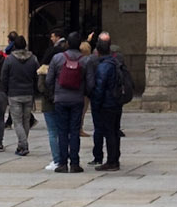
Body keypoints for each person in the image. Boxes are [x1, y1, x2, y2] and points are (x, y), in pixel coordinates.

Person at [86, 31, 130, 170]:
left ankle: (112, 161)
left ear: (98, 51)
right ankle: (115, 158)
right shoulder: (115, 62)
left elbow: (99, 87)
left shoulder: (104, 66)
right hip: (116, 101)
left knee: (109, 132)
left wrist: (96, 104)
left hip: (107, 103)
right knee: (115, 131)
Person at [48, 33, 88, 172]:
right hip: (77, 99)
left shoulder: (57, 58)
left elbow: (49, 80)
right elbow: (90, 82)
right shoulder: (85, 61)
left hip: (61, 99)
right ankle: (75, 163)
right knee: (75, 131)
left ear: (67, 44)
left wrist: (55, 92)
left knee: (62, 131)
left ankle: (63, 163)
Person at [1, 34, 40, 157]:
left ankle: (23, 144)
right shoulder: (33, 59)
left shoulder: (9, 60)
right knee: (26, 120)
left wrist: (6, 91)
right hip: (28, 93)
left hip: (14, 93)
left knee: (17, 121)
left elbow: (4, 77)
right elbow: (37, 75)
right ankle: (21, 145)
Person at [39, 31, 64, 170]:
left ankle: (56, 159)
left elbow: (40, 87)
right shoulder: (63, 67)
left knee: (53, 133)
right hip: (62, 101)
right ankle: (65, 158)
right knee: (63, 131)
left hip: (49, 105)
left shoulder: (44, 70)